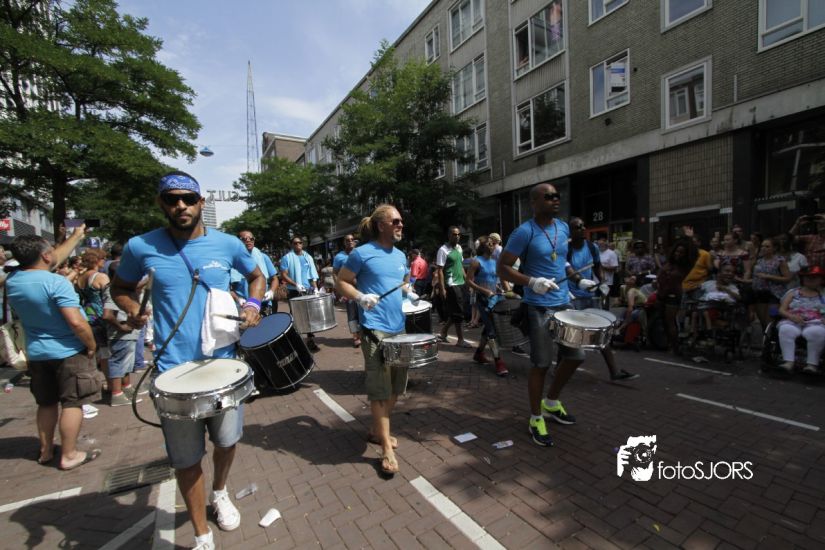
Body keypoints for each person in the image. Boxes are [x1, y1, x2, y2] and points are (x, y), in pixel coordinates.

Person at [111, 171, 265, 550]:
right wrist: (132, 309)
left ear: (201, 203)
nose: (180, 205)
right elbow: (121, 287)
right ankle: (201, 535)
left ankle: (220, 491)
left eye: (188, 198)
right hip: (173, 373)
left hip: (223, 367)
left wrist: (252, 304)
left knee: (226, 441)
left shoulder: (228, 244)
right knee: (185, 459)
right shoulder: (140, 246)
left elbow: (257, 276)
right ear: (161, 203)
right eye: (171, 199)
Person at [497, 182, 585, 447]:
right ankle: (536, 418)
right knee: (542, 363)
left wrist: (578, 280)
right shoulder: (524, 232)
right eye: (548, 197)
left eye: (557, 196)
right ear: (534, 202)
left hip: (563, 303)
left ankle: (551, 402)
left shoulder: (563, 227)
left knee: (576, 356)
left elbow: (561, 260)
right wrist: (532, 282)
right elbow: (503, 268)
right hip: (538, 307)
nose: (555, 200)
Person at [5, 232, 103, 470]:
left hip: (37, 353)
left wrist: (76, 236)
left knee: (46, 403)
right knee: (72, 403)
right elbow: (76, 322)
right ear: (46, 256)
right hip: (68, 351)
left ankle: (46, 450)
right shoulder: (55, 282)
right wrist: (91, 345)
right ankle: (69, 454)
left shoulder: (13, 281)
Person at [335, 204, 415, 476]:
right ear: (381, 225)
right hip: (374, 329)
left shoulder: (401, 255)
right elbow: (342, 281)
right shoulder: (362, 253)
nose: (401, 225)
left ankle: (375, 430)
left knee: (396, 388)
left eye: (401, 221)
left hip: (398, 327)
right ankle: (386, 448)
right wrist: (360, 297)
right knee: (380, 391)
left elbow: (402, 282)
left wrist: (410, 292)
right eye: (396, 221)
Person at [567, 219, 638, 382]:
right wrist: (575, 285)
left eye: (583, 226)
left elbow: (597, 267)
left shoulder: (591, 247)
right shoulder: (567, 249)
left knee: (602, 332)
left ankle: (614, 371)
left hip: (590, 296)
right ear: (570, 231)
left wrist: (602, 282)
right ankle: (559, 368)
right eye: (578, 227)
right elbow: (565, 270)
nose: (582, 229)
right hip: (573, 297)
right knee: (571, 336)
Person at [466, 235, 509, 376]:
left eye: (493, 244)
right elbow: (469, 281)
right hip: (483, 300)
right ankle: (498, 361)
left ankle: (479, 353)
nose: (493, 246)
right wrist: (484, 291)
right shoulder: (476, 262)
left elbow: (498, 280)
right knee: (491, 330)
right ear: (483, 246)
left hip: (496, 299)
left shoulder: (496, 262)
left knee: (490, 326)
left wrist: (506, 291)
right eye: (490, 244)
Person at [776, 265, 825, 373]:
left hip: (816, 323)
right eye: (807, 277)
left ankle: (812, 365)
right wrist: (791, 316)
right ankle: (788, 362)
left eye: (814, 277)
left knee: (817, 332)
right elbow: (782, 310)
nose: (810, 279)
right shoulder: (793, 292)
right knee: (786, 329)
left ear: (821, 279)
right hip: (793, 320)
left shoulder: (823, 294)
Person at [280, 236, 320, 352]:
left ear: (303, 244)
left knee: (309, 316)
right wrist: (296, 284)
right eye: (295, 243)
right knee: (295, 316)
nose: (298, 244)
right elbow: (283, 275)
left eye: (300, 242)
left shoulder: (308, 257)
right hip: (294, 290)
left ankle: (310, 340)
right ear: (292, 245)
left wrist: (316, 288)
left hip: (307, 290)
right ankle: (294, 341)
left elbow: (312, 274)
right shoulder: (287, 258)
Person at [434, 226, 470, 347]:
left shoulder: (459, 248)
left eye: (458, 234)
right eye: (454, 234)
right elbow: (440, 270)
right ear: (449, 235)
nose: (457, 236)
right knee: (458, 312)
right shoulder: (443, 250)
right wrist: (442, 288)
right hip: (451, 284)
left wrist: (467, 281)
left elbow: (460, 266)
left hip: (461, 283)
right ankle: (460, 340)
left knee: (456, 311)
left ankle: (443, 332)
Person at [746, 238, 791, 330]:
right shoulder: (759, 261)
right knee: (763, 321)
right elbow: (755, 278)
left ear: (774, 248)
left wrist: (769, 277)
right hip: (760, 293)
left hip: (775, 294)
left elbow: (787, 278)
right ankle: (766, 337)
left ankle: (773, 336)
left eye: (767, 246)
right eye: (762, 246)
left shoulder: (780, 260)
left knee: (772, 317)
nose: (764, 248)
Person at [231, 230, 279, 313]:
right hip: (243, 307)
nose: (248, 241)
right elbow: (227, 287)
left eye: (251, 239)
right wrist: (238, 299)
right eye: (244, 239)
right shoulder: (232, 261)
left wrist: (271, 291)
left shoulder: (263, 257)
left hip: (264, 305)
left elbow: (275, 279)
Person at [333, 234, 361, 348]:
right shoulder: (339, 257)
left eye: (352, 239)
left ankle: (364, 334)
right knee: (352, 313)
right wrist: (339, 288)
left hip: (362, 287)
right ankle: (355, 336)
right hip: (348, 289)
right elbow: (335, 273)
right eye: (347, 240)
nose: (350, 241)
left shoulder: (359, 253)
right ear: (344, 243)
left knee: (363, 311)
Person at [597, 238, 619, 309]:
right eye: (599, 244)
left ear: (606, 244)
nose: (600, 245)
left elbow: (614, 267)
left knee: (604, 299)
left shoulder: (611, 253)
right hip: (595, 280)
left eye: (602, 244)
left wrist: (602, 267)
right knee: (595, 299)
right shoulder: (596, 252)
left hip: (606, 281)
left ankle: (605, 312)